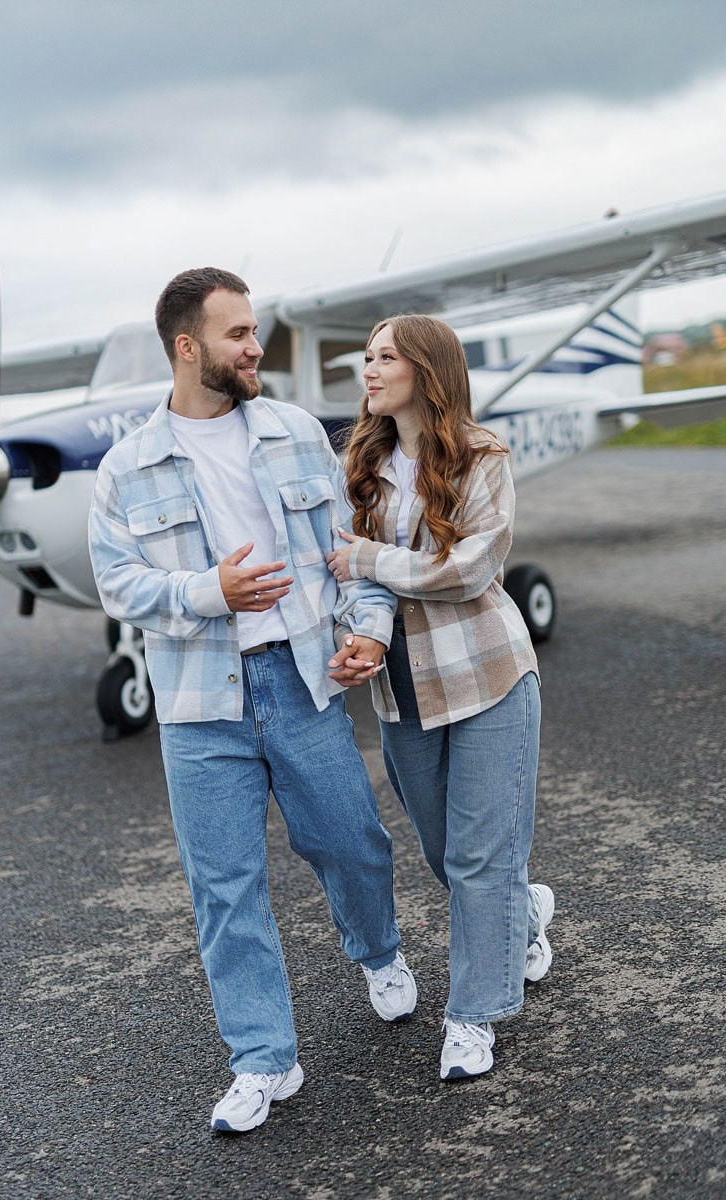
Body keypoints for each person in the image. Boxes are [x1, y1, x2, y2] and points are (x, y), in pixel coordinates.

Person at [88, 269, 417, 1134]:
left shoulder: (298, 433)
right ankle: (264, 1059)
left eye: (254, 330)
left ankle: (379, 954)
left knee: (353, 841)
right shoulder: (126, 467)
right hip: (201, 708)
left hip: (301, 679)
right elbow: (118, 583)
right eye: (236, 334)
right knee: (224, 889)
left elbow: (353, 548)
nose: (254, 346)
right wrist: (209, 592)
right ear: (188, 348)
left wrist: (370, 630)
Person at [326, 313, 554, 1081]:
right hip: (403, 692)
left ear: (427, 369)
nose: (369, 368)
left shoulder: (484, 455)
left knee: (481, 857)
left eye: (385, 356)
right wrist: (363, 625)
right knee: (444, 854)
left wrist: (369, 557)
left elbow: (471, 571)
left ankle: (473, 1017)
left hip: (489, 675)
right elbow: (348, 580)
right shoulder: (359, 460)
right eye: (366, 357)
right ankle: (523, 916)